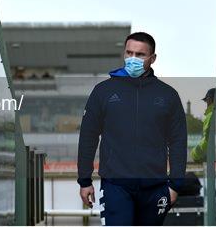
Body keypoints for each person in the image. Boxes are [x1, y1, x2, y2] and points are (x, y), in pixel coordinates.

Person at [77, 32, 187, 226]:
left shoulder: (168, 95)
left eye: (140, 55)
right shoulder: (103, 91)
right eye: (129, 53)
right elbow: (88, 137)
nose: (133, 59)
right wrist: (85, 180)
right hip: (115, 186)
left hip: (155, 187)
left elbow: (178, 142)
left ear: (152, 59)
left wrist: (176, 185)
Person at [190, 88, 215, 163]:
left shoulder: (211, 116)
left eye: (206, 100)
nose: (206, 103)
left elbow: (208, 140)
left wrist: (194, 153)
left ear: (210, 99)